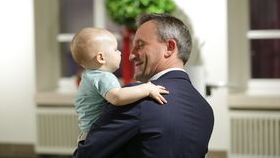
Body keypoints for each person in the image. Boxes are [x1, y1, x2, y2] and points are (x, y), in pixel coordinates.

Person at [73, 13, 214, 158]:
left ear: (169, 47)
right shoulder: (205, 109)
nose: (131, 56)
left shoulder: (138, 98)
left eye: (140, 45)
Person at [70, 27, 169, 142]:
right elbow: (117, 97)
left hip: (87, 134)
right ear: (101, 57)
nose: (120, 52)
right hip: (99, 135)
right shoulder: (103, 76)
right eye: (115, 49)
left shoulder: (88, 76)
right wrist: (146, 88)